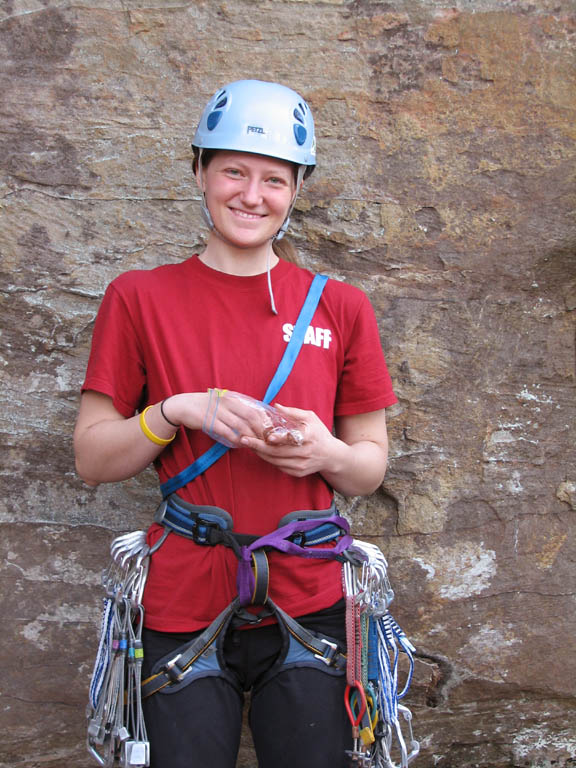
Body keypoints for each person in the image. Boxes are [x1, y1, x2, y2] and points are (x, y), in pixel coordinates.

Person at [75, 79, 397, 768]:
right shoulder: (139, 298)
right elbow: (93, 458)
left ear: (296, 190)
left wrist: (323, 452)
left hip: (309, 592)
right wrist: (177, 410)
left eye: (274, 179)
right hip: (184, 592)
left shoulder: (340, 308)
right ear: (199, 171)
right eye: (233, 171)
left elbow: (369, 467)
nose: (252, 195)